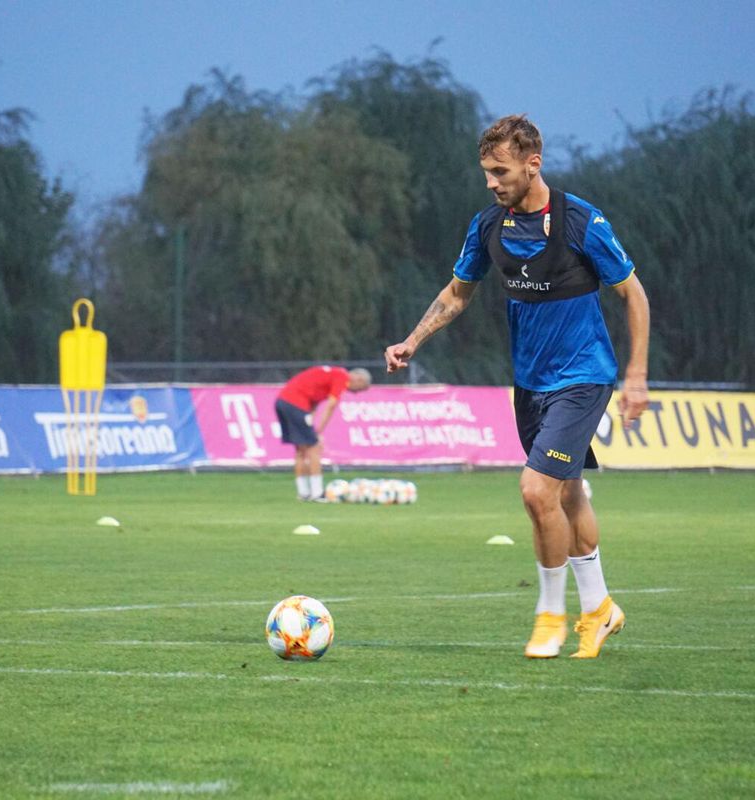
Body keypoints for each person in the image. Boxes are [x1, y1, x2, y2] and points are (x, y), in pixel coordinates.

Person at [384, 114, 650, 659]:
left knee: (535, 491)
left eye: (500, 171)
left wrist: (637, 377)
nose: (491, 182)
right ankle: (599, 609)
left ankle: (549, 616)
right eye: (486, 172)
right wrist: (414, 340)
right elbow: (459, 292)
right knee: (567, 494)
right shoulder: (488, 227)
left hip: (583, 377)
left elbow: (635, 296)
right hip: (529, 385)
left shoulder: (581, 221)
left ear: (534, 165)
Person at [275, 366, 372, 502]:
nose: (356, 393)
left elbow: (313, 403)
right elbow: (332, 404)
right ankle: (317, 493)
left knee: (301, 450)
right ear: (359, 379)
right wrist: (319, 430)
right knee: (314, 447)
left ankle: (303, 493)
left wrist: (312, 424)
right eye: (360, 388)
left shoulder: (331, 375)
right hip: (295, 403)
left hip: (282, 401)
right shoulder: (342, 377)